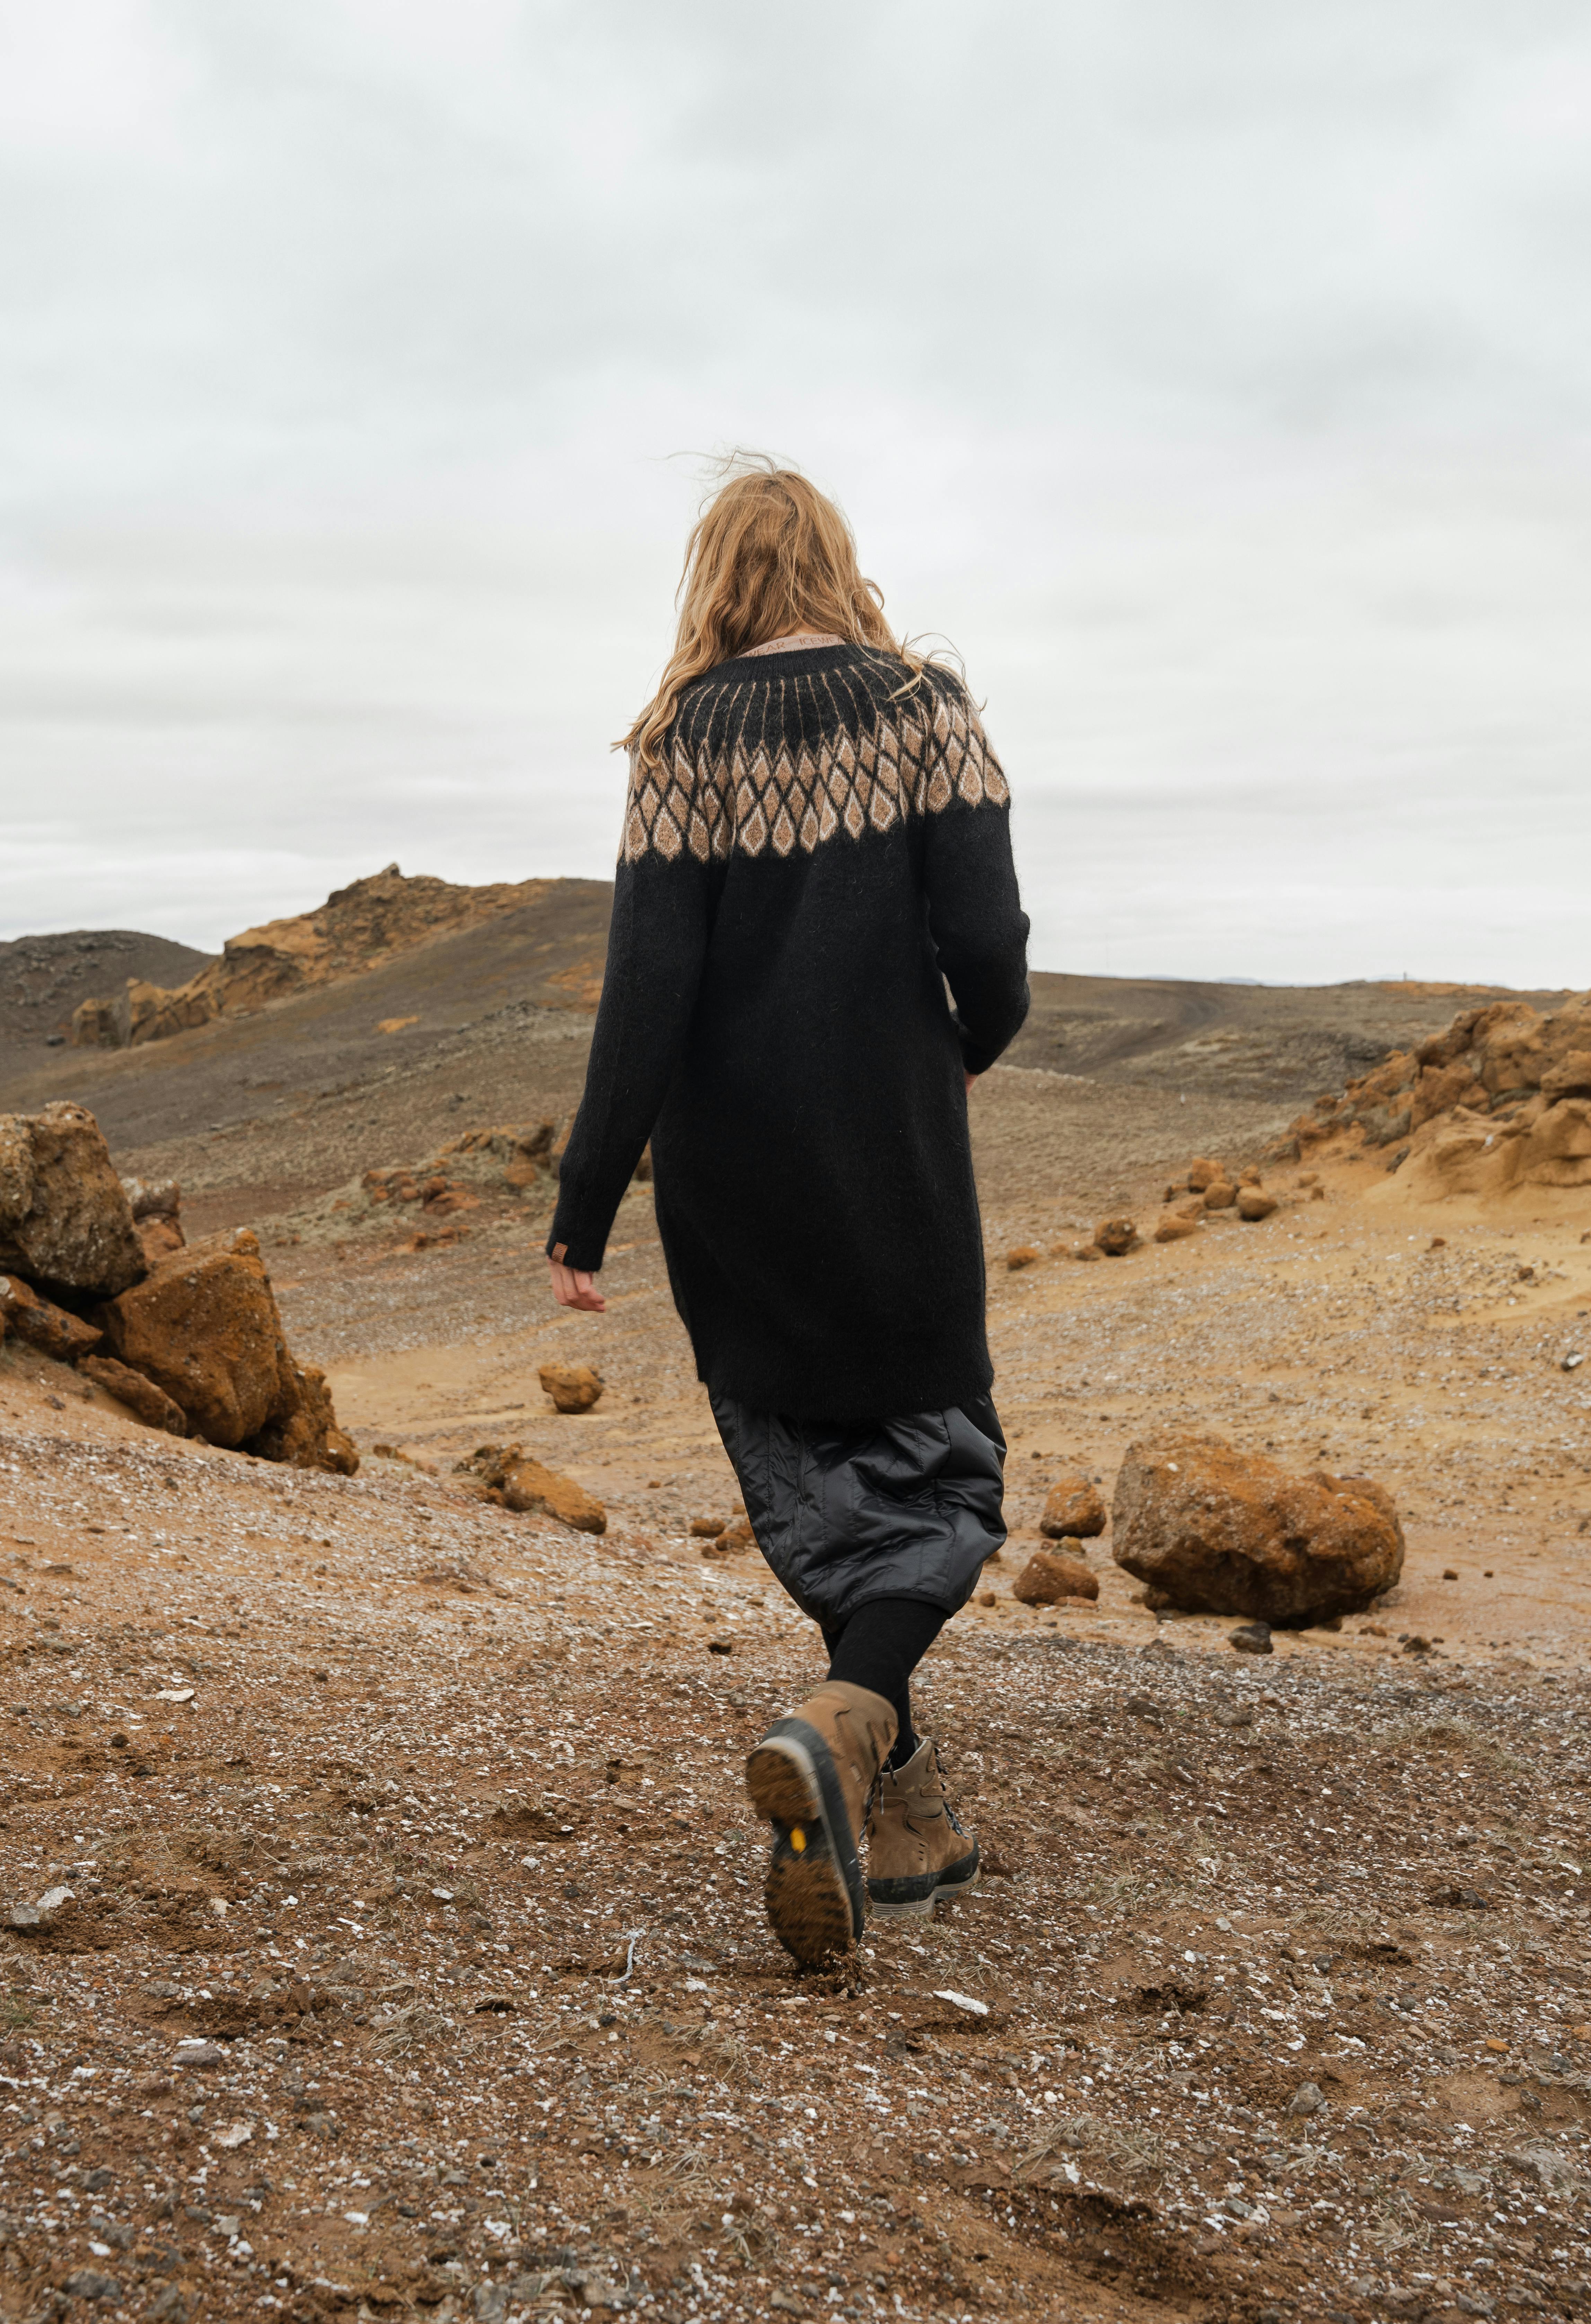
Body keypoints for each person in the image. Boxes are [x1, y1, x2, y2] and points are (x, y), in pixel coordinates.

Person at [547, 462, 1030, 1968]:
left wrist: (584, 1208)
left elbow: (646, 996)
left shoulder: (681, 737)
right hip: (884, 1151)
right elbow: (989, 938)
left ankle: (882, 1793)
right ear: (835, 560)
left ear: (719, 576)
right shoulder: (922, 706)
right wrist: (960, 1048)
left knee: (812, 1478)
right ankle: (844, 1721)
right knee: (943, 1476)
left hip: (726, 1175)